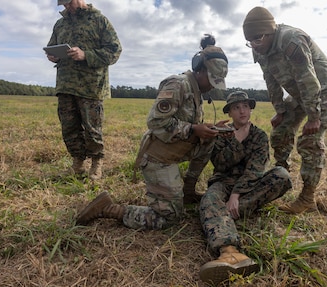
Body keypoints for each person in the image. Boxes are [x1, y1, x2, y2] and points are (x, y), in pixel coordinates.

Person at [75, 35, 229, 230]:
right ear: (199, 69)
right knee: (169, 218)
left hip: (174, 151)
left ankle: (188, 190)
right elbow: (156, 122)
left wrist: (208, 129)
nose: (212, 87)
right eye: (211, 80)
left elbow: (187, 124)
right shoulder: (178, 84)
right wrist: (193, 129)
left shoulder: (197, 90)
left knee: (211, 140)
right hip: (159, 159)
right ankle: (109, 208)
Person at [242, 7, 327, 214]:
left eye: (258, 39)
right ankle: (281, 180)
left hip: (324, 91)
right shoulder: (260, 48)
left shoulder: (291, 40)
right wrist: (280, 111)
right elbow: (271, 81)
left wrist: (313, 116)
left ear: (270, 31)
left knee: (310, 140)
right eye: (250, 41)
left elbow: (308, 79)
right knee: (280, 133)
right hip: (300, 93)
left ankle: (307, 198)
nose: (254, 45)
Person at [198, 91, 292, 285]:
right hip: (223, 182)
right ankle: (229, 252)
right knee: (208, 199)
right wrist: (237, 141)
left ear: (250, 110)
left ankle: (224, 212)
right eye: (236, 107)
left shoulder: (259, 136)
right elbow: (220, 165)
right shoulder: (221, 133)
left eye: (245, 106)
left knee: (281, 175)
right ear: (230, 112)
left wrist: (236, 194)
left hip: (248, 187)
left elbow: (255, 170)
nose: (242, 111)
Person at [46, 0, 122, 180]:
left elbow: (115, 50)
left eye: (69, 3)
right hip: (65, 84)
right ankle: (78, 163)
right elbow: (51, 46)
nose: (66, 7)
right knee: (69, 127)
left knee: (92, 128)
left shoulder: (99, 20)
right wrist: (53, 56)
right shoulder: (60, 24)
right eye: (63, 4)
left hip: (91, 85)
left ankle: (97, 163)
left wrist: (86, 54)